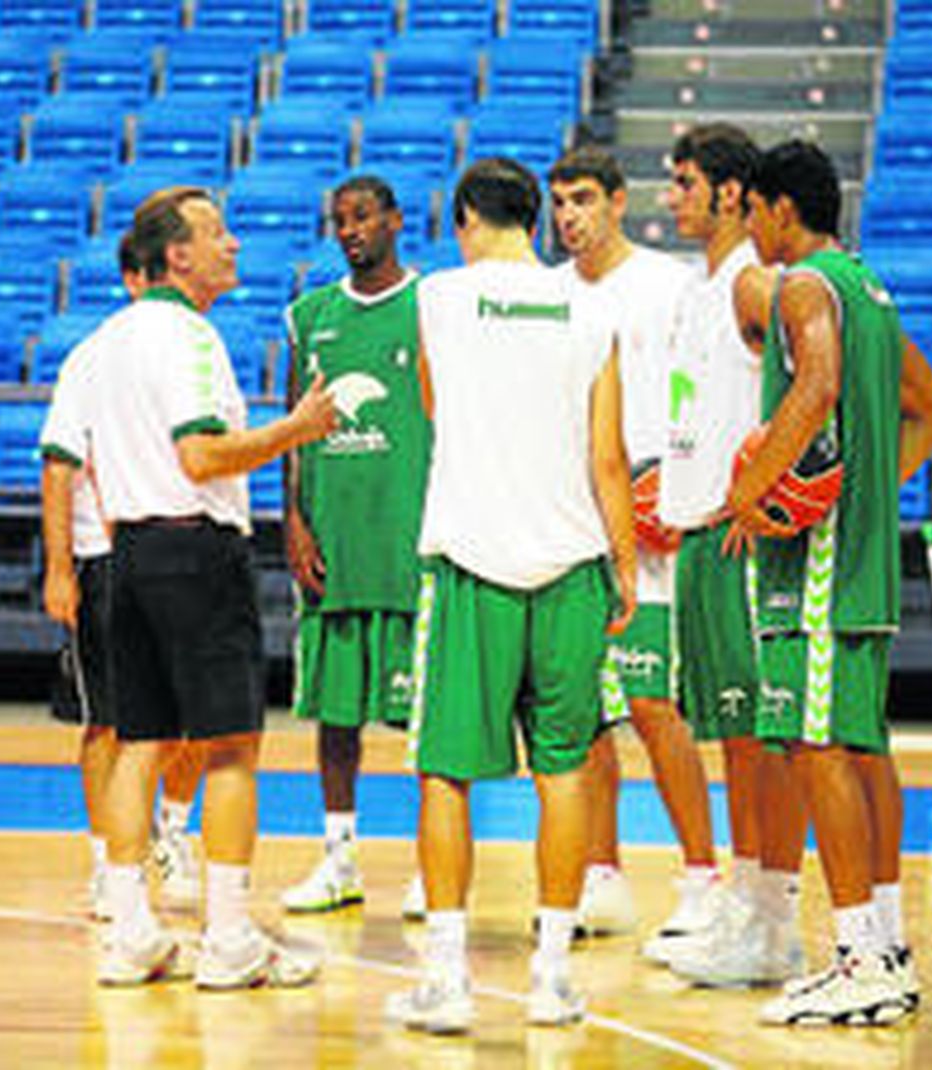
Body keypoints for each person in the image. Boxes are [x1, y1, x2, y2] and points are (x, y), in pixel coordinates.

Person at [387, 157, 637, 1034]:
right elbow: (609, 456)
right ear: (534, 218)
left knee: (445, 773)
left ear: (466, 219)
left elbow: (432, 405)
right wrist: (625, 563)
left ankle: (447, 981)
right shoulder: (593, 309)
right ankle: (552, 980)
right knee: (564, 773)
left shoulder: (438, 298)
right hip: (572, 566)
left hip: (471, 563)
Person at [80, 186, 339, 989]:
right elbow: (201, 457)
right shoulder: (189, 336)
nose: (233, 244)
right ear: (177, 255)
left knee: (139, 742)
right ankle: (228, 940)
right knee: (230, 746)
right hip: (195, 550)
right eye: (216, 233)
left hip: (127, 552)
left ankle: (131, 933)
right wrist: (296, 428)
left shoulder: (107, 340)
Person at [726, 141, 932, 1026]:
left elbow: (815, 388)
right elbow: (931, 411)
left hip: (817, 571)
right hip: (862, 560)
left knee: (818, 749)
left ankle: (859, 958)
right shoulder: (871, 290)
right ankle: (885, 947)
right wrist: (864, 493)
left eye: (754, 211)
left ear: (782, 209)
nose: (751, 229)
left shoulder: (805, 286)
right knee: (860, 748)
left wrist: (752, 493)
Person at [643, 123, 810, 986]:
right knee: (733, 737)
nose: (671, 196)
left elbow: (819, 386)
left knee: (761, 739)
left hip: (742, 539)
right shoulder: (696, 290)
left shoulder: (754, 282)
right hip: (698, 536)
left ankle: (775, 921)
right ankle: (745, 907)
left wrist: (764, 490)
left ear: (732, 191)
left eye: (685, 182)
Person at [545, 147, 718, 941]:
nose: (568, 216)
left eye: (582, 199)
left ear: (618, 202)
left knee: (653, 706)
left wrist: (683, 488)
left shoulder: (670, 286)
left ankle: (702, 877)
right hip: (574, 527)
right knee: (585, 715)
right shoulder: (547, 296)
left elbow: (698, 394)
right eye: (558, 202)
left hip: (652, 524)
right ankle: (602, 875)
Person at [39, 235, 205, 920]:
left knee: (196, 719)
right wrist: (59, 568)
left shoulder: (191, 347)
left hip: (177, 550)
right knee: (109, 722)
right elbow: (58, 465)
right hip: (103, 557)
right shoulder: (93, 356)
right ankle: (108, 862)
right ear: (134, 280)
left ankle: (171, 828)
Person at [279, 175, 431, 916]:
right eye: (339, 219)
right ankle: (339, 860)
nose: (349, 230)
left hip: (409, 543)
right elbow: (291, 431)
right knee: (335, 717)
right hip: (333, 544)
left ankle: (434, 867)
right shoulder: (310, 315)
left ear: (395, 221)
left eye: (363, 216)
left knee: (428, 721)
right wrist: (293, 520)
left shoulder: (431, 307)